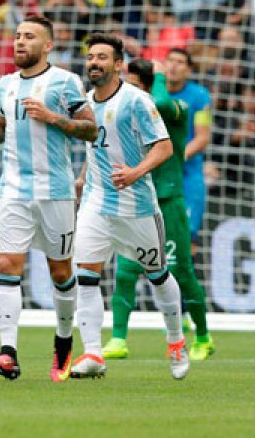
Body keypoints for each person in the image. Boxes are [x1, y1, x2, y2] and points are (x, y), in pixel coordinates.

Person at [0, 15, 97, 382]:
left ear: (47, 45)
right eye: (18, 35)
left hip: (56, 192)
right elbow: (4, 127)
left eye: (29, 37)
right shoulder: (6, 84)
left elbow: (91, 128)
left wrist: (53, 117)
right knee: (7, 264)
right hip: (14, 190)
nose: (20, 42)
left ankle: (64, 344)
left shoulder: (65, 81)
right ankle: (8, 353)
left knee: (61, 271)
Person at [69, 34, 189, 380]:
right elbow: (97, 147)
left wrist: (135, 173)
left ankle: (176, 340)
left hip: (137, 207)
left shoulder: (137, 100)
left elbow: (163, 147)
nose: (94, 63)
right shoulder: (85, 102)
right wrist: (83, 176)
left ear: (118, 64)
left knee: (158, 274)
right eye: (91, 57)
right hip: (96, 203)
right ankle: (93, 353)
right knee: (87, 276)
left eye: (102, 57)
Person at [103, 59, 213, 362]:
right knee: (125, 272)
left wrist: (160, 71)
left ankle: (203, 336)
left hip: (169, 199)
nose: (129, 93)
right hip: (136, 201)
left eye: (137, 86)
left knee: (179, 271)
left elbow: (161, 101)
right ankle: (117, 339)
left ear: (149, 87)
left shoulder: (175, 108)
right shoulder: (126, 116)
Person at [164, 48, 210, 250]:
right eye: (170, 60)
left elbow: (202, 138)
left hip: (188, 177)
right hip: (158, 175)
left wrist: (174, 157)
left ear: (189, 70)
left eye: (180, 62)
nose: (173, 65)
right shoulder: (154, 92)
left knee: (186, 239)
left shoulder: (200, 96)